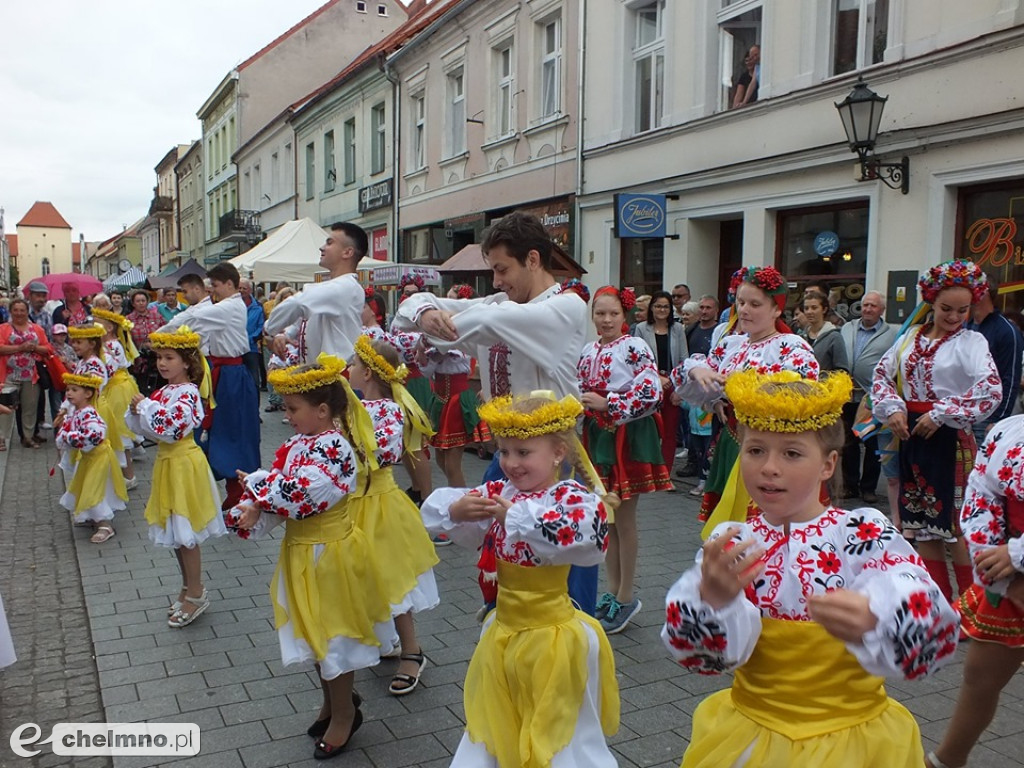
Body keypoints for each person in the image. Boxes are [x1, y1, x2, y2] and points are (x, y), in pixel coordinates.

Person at [662, 368, 958, 767]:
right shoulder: (732, 543)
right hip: (751, 733)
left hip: (852, 742)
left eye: (792, 453)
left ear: (827, 464)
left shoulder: (861, 533)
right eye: (755, 450)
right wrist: (710, 603)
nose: (769, 467)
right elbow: (703, 660)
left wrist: (879, 618)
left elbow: (920, 607)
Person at [392, 211, 597, 613]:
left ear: (534, 260)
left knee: (564, 571)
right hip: (507, 456)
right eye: (493, 271)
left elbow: (488, 319)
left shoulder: (565, 307)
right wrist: (424, 313)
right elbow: (408, 311)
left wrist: (438, 320)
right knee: (504, 565)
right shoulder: (500, 303)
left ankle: (573, 653)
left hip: (557, 462)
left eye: (502, 269)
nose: (497, 281)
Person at [420, 392, 619, 767]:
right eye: (504, 451)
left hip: (551, 638)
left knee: (556, 727)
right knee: (500, 717)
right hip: (503, 631)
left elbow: (588, 537)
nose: (510, 463)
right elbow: (442, 514)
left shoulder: (568, 498)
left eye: (523, 452)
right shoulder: (500, 493)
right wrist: (455, 508)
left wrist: (515, 518)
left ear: (558, 452)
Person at [226, 354, 396, 760]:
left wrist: (261, 489)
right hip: (303, 553)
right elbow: (283, 496)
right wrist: (254, 509)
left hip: (330, 555)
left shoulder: (336, 447)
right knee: (316, 636)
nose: (286, 417)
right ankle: (335, 703)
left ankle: (343, 714)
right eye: (285, 408)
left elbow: (305, 495)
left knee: (333, 637)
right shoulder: (297, 445)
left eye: (292, 408)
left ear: (322, 410)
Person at [872, 259, 1001, 603]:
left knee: (956, 529)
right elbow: (882, 377)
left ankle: (974, 607)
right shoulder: (910, 338)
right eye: (947, 308)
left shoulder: (971, 343)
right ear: (931, 301)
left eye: (963, 309)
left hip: (951, 439)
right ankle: (942, 604)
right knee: (923, 524)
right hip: (911, 436)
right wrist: (894, 409)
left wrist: (944, 413)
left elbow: (990, 389)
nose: (955, 316)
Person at [671, 266, 818, 531]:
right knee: (730, 530)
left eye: (754, 304)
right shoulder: (733, 344)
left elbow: (802, 395)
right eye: (740, 302)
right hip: (732, 441)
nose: (745, 310)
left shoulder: (791, 346)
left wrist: (745, 394)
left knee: (763, 528)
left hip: (771, 448)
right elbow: (693, 376)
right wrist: (698, 371)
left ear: (776, 309)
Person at [927, 413, 1024, 768]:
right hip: (1009, 578)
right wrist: (995, 563)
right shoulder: (1009, 431)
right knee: (979, 676)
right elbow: (981, 493)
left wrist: (1018, 555)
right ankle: (947, 759)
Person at [348, 335, 440, 695]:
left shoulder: (386, 409)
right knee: (365, 575)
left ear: (368, 373)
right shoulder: (354, 406)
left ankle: (412, 650)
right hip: (353, 504)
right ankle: (384, 639)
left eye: (353, 364)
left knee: (394, 578)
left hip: (380, 504)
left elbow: (383, 452)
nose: (349, 369)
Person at [581, 286, 672, 634]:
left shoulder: (634, 346)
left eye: (613, 314)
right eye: (600, 314)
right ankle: (612, 591)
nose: (605, 320)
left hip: (626, 434)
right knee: (609, 518)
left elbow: (652, 389)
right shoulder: (589, 350)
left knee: (625, 517)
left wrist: (610, 405)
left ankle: (627, 594)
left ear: (625, 316)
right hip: (598, 435)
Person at [127, 327, 226, 628]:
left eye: (170, 357)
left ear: (187, 363)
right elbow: (147, 429)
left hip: (183, 464)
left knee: (186, 534)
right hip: (169, 464)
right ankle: (187, 586)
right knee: (175, 531)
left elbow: (171, 428)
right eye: (159, 357)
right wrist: (137, 411)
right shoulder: (166, 391)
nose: (162, 363)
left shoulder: (188, 392)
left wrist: (144, 406)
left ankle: (196, 592)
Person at [162, 263, 261, 510]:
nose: (212, 291)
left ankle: (240, 487)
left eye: (215, 286)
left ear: (229, 284)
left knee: (233, 430)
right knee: (222, 429)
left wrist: (161, 334)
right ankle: (233, 485)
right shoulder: (221, 307)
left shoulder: (230, 306)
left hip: (232, 375)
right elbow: (195, 328)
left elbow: (193, 317)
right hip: (222, 373)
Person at [265, 221, 366, 363]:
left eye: (329, 243)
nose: (322, 248)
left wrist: (269, 331)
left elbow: (298, 303)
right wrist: (285, 334)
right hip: (323, 377)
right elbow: (305, 317)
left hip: (336, 376)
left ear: (348, 252)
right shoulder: (336, 287)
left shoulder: (345, 286)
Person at [428, 284, 491, 488]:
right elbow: (427, 367)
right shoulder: (444, 337)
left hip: (456, 400)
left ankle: (462, 500)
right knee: (440, 459)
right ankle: (455, 495)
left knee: (452, 462)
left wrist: (434, 349)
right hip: (440, 398)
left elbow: (458, 359)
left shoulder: (464, 338)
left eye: (452, 299)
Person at [55, 373, 127, 543]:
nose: (69, 393)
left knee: (94, 490)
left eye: (74, 390)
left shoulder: (89, 413)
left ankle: (105, 525)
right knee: (85, 486)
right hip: (88, 458)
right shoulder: (76, 412)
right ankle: (92, 517)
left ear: (88, 393)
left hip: (99, 458)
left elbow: (96, 435)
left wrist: (68, 436)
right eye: (68, 390)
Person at [839, 291, 897, 504]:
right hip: (846, 394)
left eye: (872, 306)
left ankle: (869, 488)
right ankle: (850, 485)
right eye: (865, 305)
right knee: (848, 442)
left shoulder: (891, 335)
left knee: (871, 442)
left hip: (871, 396)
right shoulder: (847, 328)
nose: (867, 309)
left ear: (881, 310)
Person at [633, 290, 688, 474]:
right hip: (650, 383)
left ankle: (665, 474)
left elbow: (683, 360)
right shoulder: (641, 328)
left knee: (670, 432)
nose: (661, 310)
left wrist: (679, 388)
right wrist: (657, 376)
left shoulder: (678, 329)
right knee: (650, 429)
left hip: (672, 384)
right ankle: (649, 471)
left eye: (665, 306)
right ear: (652, 308)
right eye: (658, 306)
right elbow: (639, 360)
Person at [968, 278, 1023, 446]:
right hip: (965, 411)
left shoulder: (1006, 331)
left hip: (988, 415)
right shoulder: (967, 326)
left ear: (983, 294)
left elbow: (1010, 378)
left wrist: (999, 419)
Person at [0, 298, 50, 449]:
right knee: (5, 407)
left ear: (27, 312)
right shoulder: (3, 328)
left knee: (30, 407)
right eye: (15, 310)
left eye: (22, 310)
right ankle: (2, 438)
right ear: (10, 311)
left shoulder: (37, 329)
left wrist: (34, 348)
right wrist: (20, 347)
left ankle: (27, 437)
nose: (19, 313)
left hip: (31, 374)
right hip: (9, 374)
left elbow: (47, 348)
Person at [26, 281, 56, 431]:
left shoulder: (46, 315)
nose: (42, 300)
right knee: (27, 395)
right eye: (38, 296)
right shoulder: (22, 311)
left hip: (40, 358)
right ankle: (28, 429)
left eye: (44, 296)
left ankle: (40, 419)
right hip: (23, 360)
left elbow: (50, 338)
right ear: (30, 296)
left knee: (41, 387)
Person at [801, 291, 849, 373]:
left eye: (814, 308)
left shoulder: (834, 337)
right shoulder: (801, 337)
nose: (809, 312)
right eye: (806, 308)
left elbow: (842, 371)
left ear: (824, 309)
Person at [239, 278, 266, 390]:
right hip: (236, 348)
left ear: (250, 290)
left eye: (244, 288)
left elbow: (261, 326)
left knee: (254, 379)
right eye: (239, 288)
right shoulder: (233, 305)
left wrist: (251, 339)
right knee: (239, 380)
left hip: (251, 348)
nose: (241, 290)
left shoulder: (258, 307)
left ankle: (255, 405)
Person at [732, 44, 760, 109]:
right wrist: (737, 106)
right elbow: (751, 85)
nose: (748, 63)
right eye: (746, 61)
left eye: (750, 59)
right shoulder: (744, 77)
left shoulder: (760, 66)